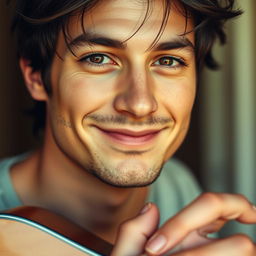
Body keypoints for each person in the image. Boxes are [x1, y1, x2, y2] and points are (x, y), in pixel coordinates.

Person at [1, 0, 256, 255]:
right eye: (98, 58)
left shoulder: (177, 186)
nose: (140, 104)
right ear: (35, 77)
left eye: (168, 61)